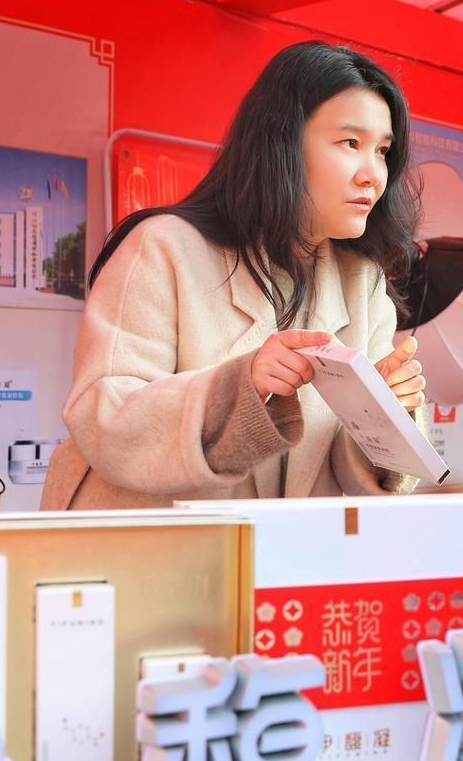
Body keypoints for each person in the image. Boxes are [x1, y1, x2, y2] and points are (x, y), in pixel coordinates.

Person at [42, 41, 429, 510]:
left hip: (277, 550)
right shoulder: (162, 246)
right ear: (282, 142)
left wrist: (388, 412)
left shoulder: (363, 282)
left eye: (383, 150)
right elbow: (104, 417)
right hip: (144, 546)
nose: (373, 174)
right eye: (351, 143)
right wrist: (241, 387)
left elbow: (349, 473)